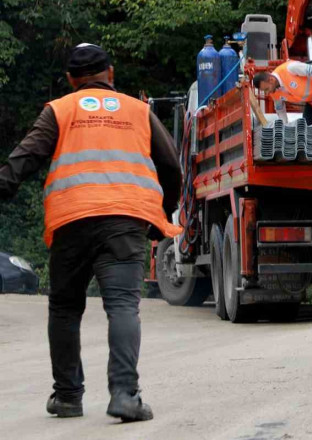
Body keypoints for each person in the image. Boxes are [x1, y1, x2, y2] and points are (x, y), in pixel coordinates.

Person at [0, 43, 183, 422]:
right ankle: (124, 396)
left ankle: (67, 397)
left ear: (70, 80)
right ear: (110, 74)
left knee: (65, 307)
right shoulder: (138, 110)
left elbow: (24, 158)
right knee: (122, 307)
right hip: (125, 221)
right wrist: (159, 214)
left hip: (72, 221)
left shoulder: (60, 110)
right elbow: (171, 166)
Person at [252, 60, 312, 128]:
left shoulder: (290, 68)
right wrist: (284, 127)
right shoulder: (274, 93)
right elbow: (280, 110)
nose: (267, 93)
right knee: (307, 123)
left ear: (271, 80)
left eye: (267, 89)